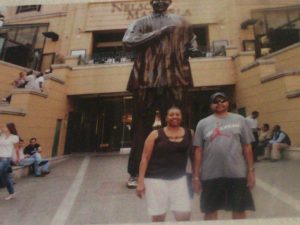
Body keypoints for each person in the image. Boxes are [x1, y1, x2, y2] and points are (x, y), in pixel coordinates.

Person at [123, 0, 200, 188]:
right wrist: (159, 33)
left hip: (174, 78)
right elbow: (128, 40)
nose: (159, 2)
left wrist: (193, 49)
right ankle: (135, 172)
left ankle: (180, 171)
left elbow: (192, 41)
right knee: (141, 127)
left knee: (178, 125)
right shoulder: (141, 22)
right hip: (145, 79)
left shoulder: (181, 22)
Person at [193, 92, 255, 220]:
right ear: (211, 105)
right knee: (210, 211)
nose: (219, 103)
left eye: (222, 100)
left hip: (237, 173)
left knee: (239, 209)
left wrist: (250, 171)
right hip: (210, 174)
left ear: (228, 102)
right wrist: (196, 176)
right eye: (215, 101)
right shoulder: (202, 124)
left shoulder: (240, 120)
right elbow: (198, 150)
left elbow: (247, 147)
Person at [136, 106, 193, 222]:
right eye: (171, 115)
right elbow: (145, 158)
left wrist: (196, 176)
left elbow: (195, 154)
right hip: (156, 180)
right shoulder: (155, 134)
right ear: (166, 118)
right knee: (158, 215)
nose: (175, 117)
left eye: (177, 114)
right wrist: (140, 181)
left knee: (184, 215)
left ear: (181, 117)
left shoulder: (190, 133)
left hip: (179, 179)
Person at [0, 123, 19, 200]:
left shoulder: (14, 137)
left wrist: (17, 158)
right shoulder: (2, 135)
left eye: (5, 126)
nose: (3, 127)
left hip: (6, 159)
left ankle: (12, 193)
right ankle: (12, 193)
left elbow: (16, 148)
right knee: (6, 178)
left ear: (9, 128)